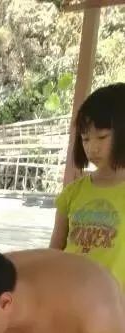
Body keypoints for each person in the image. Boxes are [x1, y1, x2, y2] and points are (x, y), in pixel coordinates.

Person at [51, 83, 125, 285]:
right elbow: (54, 252)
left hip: (115, 308)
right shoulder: (72, 193)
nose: (92, 148)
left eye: (102, 137)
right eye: (85, 139)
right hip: (70, 298)